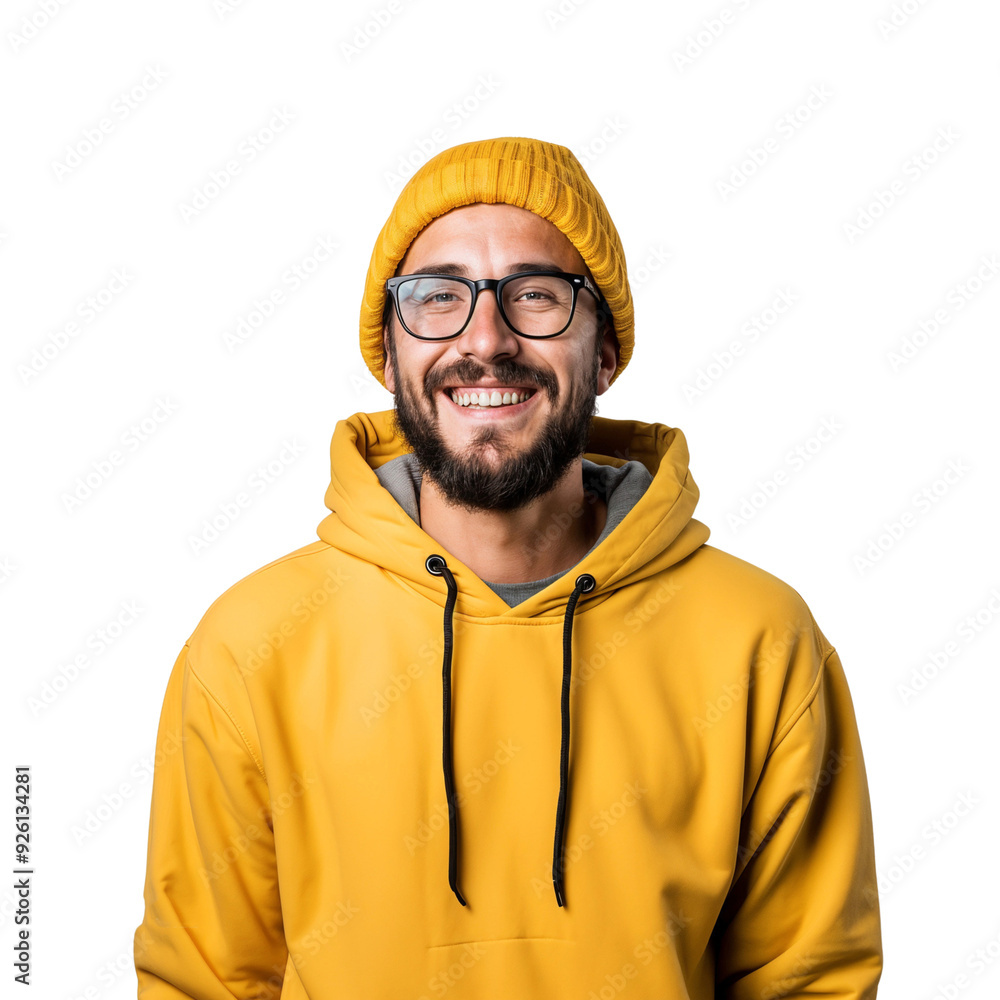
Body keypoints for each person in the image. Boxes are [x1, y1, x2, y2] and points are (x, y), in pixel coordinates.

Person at [133, 136, 883, 999]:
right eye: (438, 297)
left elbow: (809, 981)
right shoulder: (252, 646)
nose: (484, 339)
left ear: (604, 351)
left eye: (536, 295)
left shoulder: (761, 641)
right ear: (389, 353)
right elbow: (204, 981)